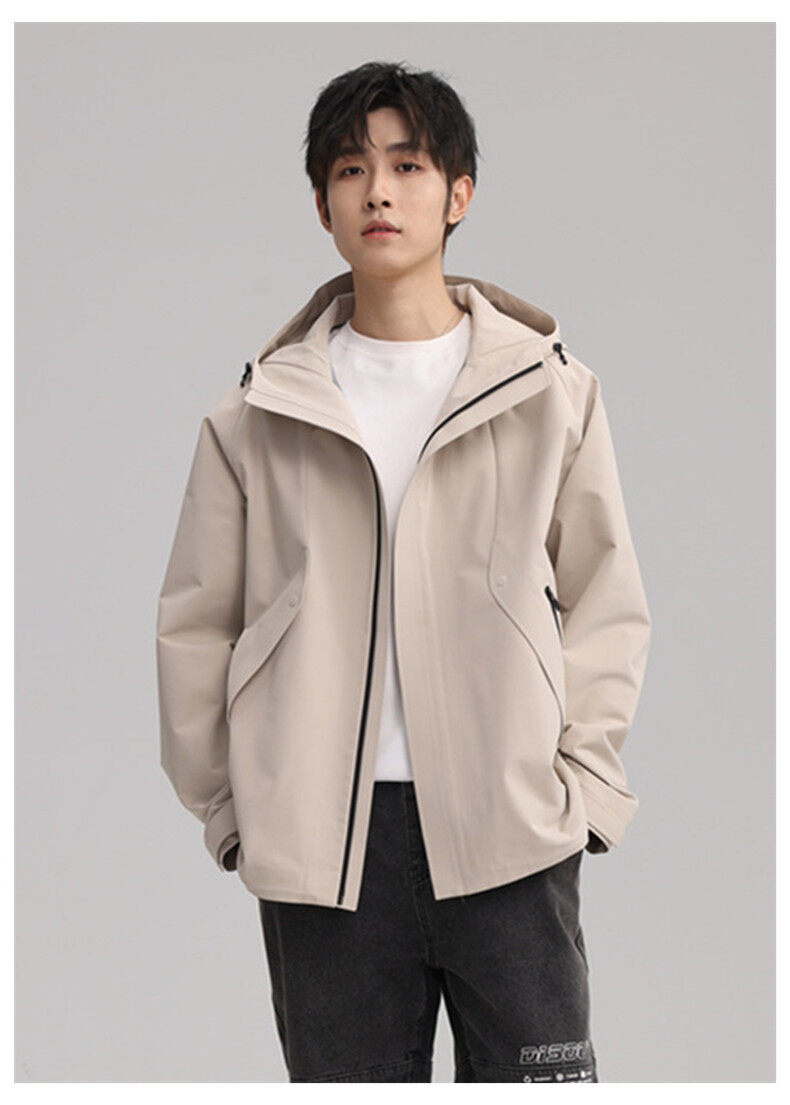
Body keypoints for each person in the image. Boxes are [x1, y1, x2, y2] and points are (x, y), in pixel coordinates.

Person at [156, 60, 652, 1083]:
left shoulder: (550, 394)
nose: (378, 190)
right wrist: (235, 814)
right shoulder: (254, 417)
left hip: (510, 827)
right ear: (324, 205)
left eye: (408, 164)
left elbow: (607, 599)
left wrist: (585, 790)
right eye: (350, 169)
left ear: (458, 193)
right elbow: (196, 624)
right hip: (324, 853)